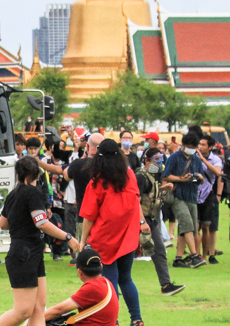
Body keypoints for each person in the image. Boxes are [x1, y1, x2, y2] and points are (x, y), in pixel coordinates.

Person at [0, 156, 79, 326]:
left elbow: (3, 223)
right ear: (37, 174)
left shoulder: (13, 194)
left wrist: (20, 219)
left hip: (29, 252)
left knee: (39, 307)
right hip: (25, 253)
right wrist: (67, 237)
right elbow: (41, 223)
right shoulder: (33, 193)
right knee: (23, 310)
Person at [79, 139, 145, 326]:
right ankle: (136, 318)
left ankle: (113, 321)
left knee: (109, 282)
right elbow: (135, 200)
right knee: (126, 279)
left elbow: (89, 216)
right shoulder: (130, 175)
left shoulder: (96, 182)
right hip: (128, 236)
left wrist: (83, 241)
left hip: (105, 238)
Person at [135, 147, 184, 296]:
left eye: (161, 158)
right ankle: (110, 284)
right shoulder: (141, 177)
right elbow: (135, 200)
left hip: (151, 219)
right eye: (156, 159)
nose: (160, 162)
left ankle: (166, 285)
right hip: (139, 220)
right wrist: (141, 222)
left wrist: (163, 189)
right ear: (147, 160)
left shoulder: (154, 176)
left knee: (159, 251)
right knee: (125, 253)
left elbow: (150, 194)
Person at [163, 132, 209, 268]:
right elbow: (166, 176)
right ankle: (194, 255)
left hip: (192, 196)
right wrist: (180, 179)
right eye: (190, 146)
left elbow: (202, 179)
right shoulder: (174, 157)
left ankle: (178, 258)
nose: (192, 149)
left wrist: (200, 178)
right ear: (183, 145)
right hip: (177, 195)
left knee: (189, 227)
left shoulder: (196, 159)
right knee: (187, 224)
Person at [43, 249, 119, 325]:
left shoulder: (92, 287)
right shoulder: (107, 283)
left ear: (79, 272)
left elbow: (58, 310)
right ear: (101, 266)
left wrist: (33, 321)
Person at [66, 133, 103, 242]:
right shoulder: (111, 167)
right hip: (104, 218)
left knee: (83, 252)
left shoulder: (78, 164)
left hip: (83, 215)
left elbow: (66, 176)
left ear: (87, 147)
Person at [196, 134, 224, 264]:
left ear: (210, 147)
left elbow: (218, 173)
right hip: (195, 194)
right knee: (195, 226)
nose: (200, 147)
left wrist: (203, 160)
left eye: (203, 144)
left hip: (208, 194)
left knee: (207, 226)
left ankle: (206, 255)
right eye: (199, 144)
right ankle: (196, 254)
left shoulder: (216, 159)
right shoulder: (193, 157)